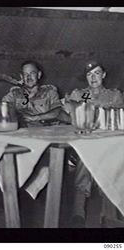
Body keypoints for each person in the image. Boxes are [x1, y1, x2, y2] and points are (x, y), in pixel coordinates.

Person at [65, 61, 124, 227]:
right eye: (90, 74)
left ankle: (107, 215)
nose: (93, 77)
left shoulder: (114, 95)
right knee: (86, 156)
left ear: (104, 75)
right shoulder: (79, 94)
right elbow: (70, 116)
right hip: (84, 145)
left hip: (110, 146)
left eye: (97, 73)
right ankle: (79, 213)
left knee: (107, 161)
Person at [2, 61, 62, 127]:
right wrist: (20, 115)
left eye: (32, 73)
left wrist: (34, 117)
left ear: (39, 75)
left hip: (45, 132)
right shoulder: (14, 94)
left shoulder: (50, 93)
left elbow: (58, 112)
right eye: (25, 74)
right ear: (21, 77)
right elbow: (3, 109)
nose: (29, 77)